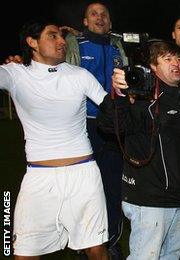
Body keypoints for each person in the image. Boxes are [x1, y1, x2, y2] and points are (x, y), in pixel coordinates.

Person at [2, 20, 109, 259]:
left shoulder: (80, 75)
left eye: (62, 36)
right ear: (32, 43)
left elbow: (113, 109)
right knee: (23, 251)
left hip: (84, 175)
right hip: (39, 177)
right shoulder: (15, 74)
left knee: (97, 249)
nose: (62, 41)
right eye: (52, 36)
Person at [99, 40, 180, 260]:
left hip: (177, 197)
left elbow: (178, 150)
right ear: (152, 66)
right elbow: (110, 125)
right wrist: (119, 94)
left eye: (179, 59)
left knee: (171, 255)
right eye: (168, 59)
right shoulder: (141, 96)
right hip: (148, 197)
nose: (176, 64)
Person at [63, 3, 127, 256]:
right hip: (83, 127)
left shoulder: (119, 48)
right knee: (83, 191)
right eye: (94, 14)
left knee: (112, 188)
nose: (100, 18)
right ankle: (83, 243)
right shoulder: (74, 46)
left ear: (110, 23)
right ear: (85, 22)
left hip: (113, 128)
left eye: (104, 15)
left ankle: (110, 242)